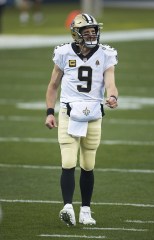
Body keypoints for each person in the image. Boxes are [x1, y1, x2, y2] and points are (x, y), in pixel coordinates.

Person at [45, 13, 118, 226]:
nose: (91, 34)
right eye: (86, 31)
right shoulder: (63, 52)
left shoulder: (105, 54)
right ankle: (67, 206)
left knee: (88, 163)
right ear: (76, 34)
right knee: (68, 161)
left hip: (94, 113)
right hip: (69, 111)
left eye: (93, 31)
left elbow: (111, 82)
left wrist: (112, 96)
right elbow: (53, 86)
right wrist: (50, 111)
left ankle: (85, 210)